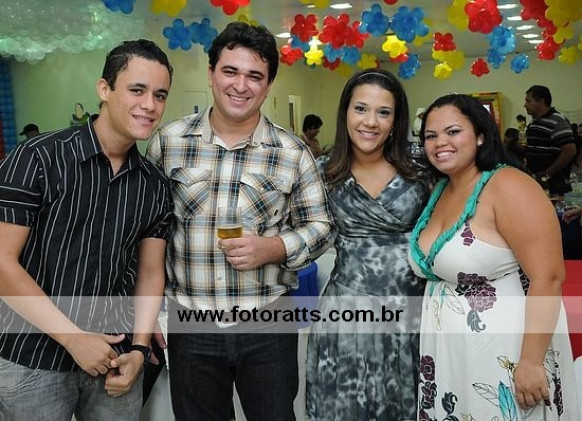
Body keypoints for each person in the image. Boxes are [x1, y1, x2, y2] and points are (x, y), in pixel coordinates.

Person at [145, 21, 335, 421]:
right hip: (190, 321)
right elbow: (146, 232)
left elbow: (322, 227)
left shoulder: (292, 152)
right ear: (211, 73)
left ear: (268, 86)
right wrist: (149, 314)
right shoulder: (168, 142)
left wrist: (275, 247)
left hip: (268, 320)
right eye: (230, 71)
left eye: (254, 76)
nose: (240, 85)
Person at [0, 39, 174, 420]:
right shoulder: (37, 158)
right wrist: (75, 339)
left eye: (159, 95)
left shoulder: (154, 185)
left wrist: (139, 350)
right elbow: (2, 264)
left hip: (116, 359)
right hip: (32, 358)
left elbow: (150, 273)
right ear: (104, 89)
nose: (149, 105)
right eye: (137, 90)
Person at [408, 93, 579, 419]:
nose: (440, 142)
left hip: (505, 352)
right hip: (451, 353)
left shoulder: (508, 185)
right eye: (430, 135)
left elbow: (548, 276)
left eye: (453, 131)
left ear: (481, 135)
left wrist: (531, 362)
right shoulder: (442, 188)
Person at [305, 69, 430, 420]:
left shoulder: (423, 166)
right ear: (345, 112)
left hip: (412, 313)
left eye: (383, 112)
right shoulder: (322, 171)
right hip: (347, 315)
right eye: (361, 109)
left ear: (396, 120)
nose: (370, 122)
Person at [524, 85, 576, 199]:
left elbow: (570, 150)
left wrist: (548, 173)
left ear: (541, 101)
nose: (525, 105)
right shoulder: (534, 122)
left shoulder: (557, 121)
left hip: (553, 183)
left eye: (528, 101)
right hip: (536, 178)